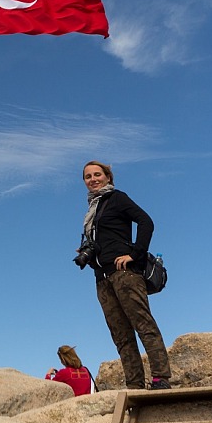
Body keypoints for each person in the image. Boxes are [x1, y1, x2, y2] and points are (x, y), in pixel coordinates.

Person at [78, 161, 172, 391]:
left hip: (124, 274)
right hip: (102, 278)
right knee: (121, 335)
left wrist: (135, 253)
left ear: (108, 177)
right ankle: (135, 384)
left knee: (143, 324)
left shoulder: (117, 198)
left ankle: (160, 378)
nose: (93, 179)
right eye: (88, 176)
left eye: (97, 174)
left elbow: (146, 222)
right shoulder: (93, 209)